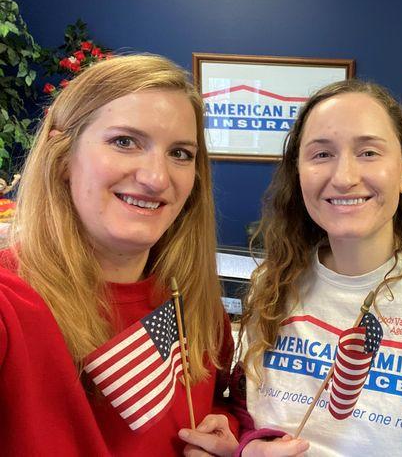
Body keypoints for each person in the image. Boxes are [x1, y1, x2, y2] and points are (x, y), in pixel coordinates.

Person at [184, 79, 402, 456]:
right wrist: (239, 446)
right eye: (321, 155)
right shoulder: (270, 284)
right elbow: (249, 414)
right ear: (298, 172)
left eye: (369, 152)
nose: (344, 177)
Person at [0, 55, 253, 456]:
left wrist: (225, 430)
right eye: (124, 142)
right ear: (62, 156)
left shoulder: (197, 307)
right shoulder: (10, 304)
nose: (156, 178)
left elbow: (216, 405)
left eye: (181, 154)